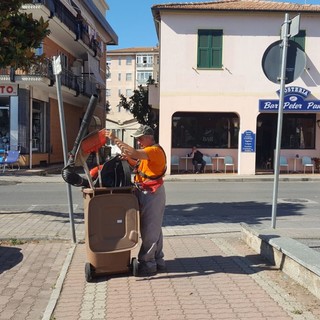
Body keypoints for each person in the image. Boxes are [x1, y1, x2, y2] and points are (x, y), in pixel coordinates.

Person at [105, 125, 166, 276]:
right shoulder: (148, 153)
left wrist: (114, 139)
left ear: (148, 137)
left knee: (149, 228)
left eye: (140, 138)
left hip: (152, 192)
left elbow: (133, 152)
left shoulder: (153, 150)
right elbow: (139, 164)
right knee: (153, 226)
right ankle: (157, 259)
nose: (138, 141)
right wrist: (129, 160)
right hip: (147, 190)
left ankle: (148, 262)